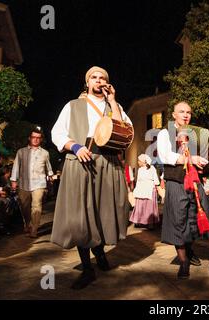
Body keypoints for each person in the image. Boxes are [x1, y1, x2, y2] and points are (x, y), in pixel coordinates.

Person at [51, 66, 133, 289]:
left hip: (107, 163)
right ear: (87, 82)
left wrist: (114, 101)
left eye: (102, 78)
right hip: (81, 162)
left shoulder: (114, 106)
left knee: (103, 213)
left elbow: (125, 129)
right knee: (82, 215)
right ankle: (87, 267)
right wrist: (75, 147)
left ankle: (100, 252)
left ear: (107, 83)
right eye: (94, 78)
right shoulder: (73, 105)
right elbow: (57, 133)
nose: (98, 81)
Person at [156, 101, 209, 279]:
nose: (186, 115)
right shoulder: (165, 133)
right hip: (176, 181)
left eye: (189, 112)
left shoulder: (196, 134)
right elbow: (165, 155)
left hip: (195, 181)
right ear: (174, 115)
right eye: (181, 112)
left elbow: (207, 151)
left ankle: (189, 249)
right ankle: (183, 261)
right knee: (178, 219)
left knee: (197, 217)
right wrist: (191, 159)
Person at [10, 127, 54, 238]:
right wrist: (13, 180)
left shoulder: (45, 153)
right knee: (24, 206)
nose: (35, 139)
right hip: (24, 183)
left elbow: (48, 166)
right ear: (29, 138)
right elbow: (16, 166)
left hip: (39, 183)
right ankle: (27, 223)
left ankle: (34, 229)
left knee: (37, 205)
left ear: (41, 139)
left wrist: (50, 176)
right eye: (33, 137)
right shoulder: (21, 152)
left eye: (38, 138)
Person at [130, 154, 160, 229]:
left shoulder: (152, 168)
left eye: (139, 161)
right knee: (140, 206)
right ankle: (138, 221)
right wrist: (136, 190)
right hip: (141, 189)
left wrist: (156, 187)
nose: (138, 162)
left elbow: (156, 180)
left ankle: (150, 223)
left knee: (148, 207)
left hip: (149, 189)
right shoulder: (140, 170)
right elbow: (138, 181)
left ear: (143, 161)